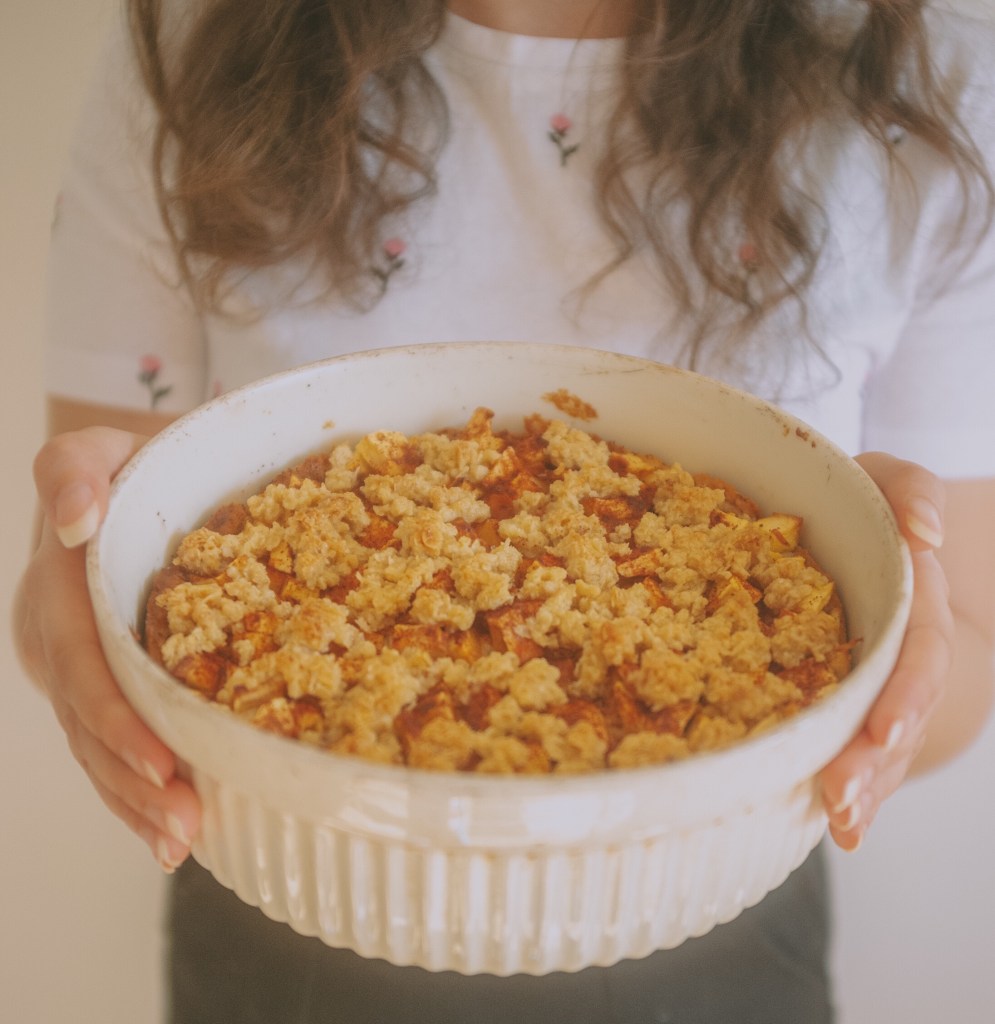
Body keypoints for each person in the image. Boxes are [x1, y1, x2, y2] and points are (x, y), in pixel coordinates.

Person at [13, 0, 995, 1021]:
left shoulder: (923, 84)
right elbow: (108, 569)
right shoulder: (190, 44)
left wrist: (895, 610)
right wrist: (76, 581)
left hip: (707, 909)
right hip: (293, 902)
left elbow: (962, 651)